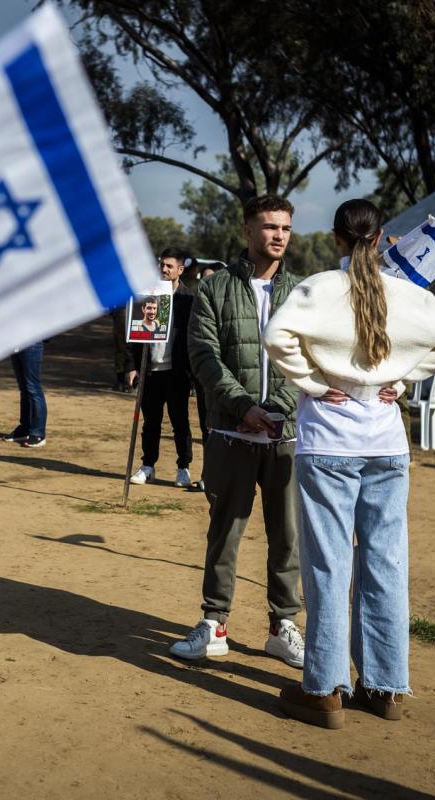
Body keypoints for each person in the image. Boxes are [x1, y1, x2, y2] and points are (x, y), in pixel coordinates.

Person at [263, 198, 435, 728]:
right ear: (381, 239)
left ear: (336, 238)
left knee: (328, 565)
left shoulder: (318, 288)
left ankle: (324, 690)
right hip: (386, 443)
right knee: (385, 562)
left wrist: (315, 383)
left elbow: (275, 337)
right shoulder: (407, 293)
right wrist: (400, 378)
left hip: (329, 442)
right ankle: (385, 688)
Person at [172, 194, 306, 669]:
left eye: (285, 228)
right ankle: (214, 624)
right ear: (247, 231)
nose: (278, 236)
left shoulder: (304, 293)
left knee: (287, 535)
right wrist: (244, 407)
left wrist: (279, 407)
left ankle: (283, 626)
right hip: (231, 432)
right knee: (224, 531)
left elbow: (310, 358)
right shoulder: (214, 289)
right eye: (269, 227)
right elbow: (204, 356)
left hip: (286, 435)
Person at [128, 248, 195, 488]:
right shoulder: (148, 295)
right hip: (150, 371)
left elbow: (194, 337)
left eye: (169, 266)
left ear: (180, 270)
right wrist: (133, 366)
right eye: (162, 265)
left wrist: (191, 371)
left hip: (176, 373)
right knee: (151, 423)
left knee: (180, 422)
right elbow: (133, 334)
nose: (164, 269)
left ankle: (183, 467)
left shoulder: (188, 299)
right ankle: (148, 466)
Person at [2, 341, 47, 448]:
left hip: (32, 343)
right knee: (24, 388)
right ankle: (25, 429)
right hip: (16, 342)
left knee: (33, 388)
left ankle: (38, 433)